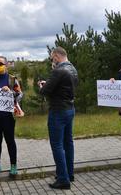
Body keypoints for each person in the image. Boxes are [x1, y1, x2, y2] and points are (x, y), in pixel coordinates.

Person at [38, 47, 78, 190]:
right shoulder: (73, 68)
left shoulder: (58, 70)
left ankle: (63, 179)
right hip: (70, 109)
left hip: (58, 111)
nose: (51, 61)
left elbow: (45, 91)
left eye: (51, 58)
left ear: (56, 56)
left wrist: (41, 85)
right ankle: (69, 174)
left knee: (57, 145)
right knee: (68, 142)